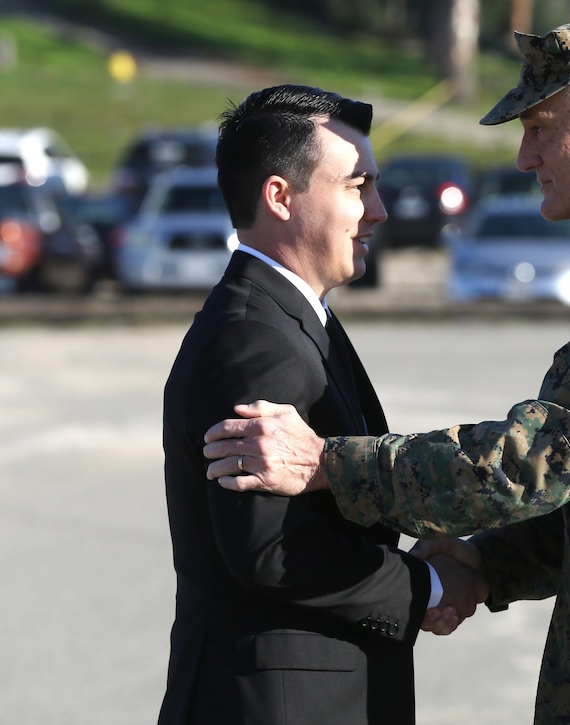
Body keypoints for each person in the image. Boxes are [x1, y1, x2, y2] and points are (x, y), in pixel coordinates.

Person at [202, 16, 570, 722]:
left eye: (539, 126)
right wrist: (487, 565)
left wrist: (328, 463)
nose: (523, 156)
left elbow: (542, 458)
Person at [157, 84, 481, 725]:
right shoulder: (254, 339)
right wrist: (430, 588)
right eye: (358, 186)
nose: (381, 210)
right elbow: (273, 549)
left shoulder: (289, 321)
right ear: (280, 197)